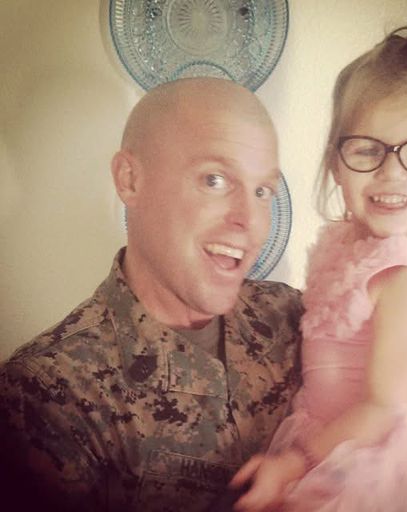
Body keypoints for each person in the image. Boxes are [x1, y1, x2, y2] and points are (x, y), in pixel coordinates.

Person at [230, 1, 407, 511]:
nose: (392, 174)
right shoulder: (360, 246)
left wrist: (293, 462)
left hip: (359, 464)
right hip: (327, 436)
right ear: (336, 163)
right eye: (367, 149)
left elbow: (383, 407)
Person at [0, 77, 303, 512]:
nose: (251, 221)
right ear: (130, 179)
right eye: (214, 179)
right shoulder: (44, 398)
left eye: (262, 191)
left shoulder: (293, 317)